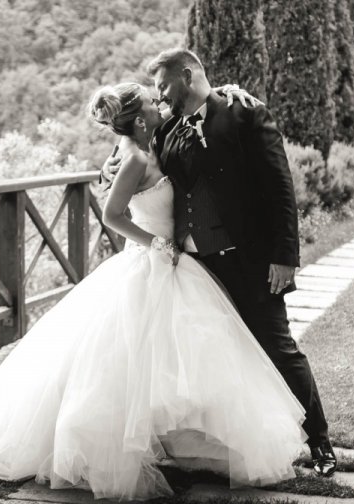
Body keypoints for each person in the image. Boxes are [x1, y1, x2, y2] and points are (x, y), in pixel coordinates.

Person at [0, 82, 308, 502]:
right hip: (149, 262)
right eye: (151, 99)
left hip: (176, 264)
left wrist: (224, 89)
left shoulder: (155, 139)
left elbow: (192, 95)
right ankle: (115, 446)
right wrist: (156, 244)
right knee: (127, 361)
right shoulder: (134, 157)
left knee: (178, 356)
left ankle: (184, 443)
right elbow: (113, 216)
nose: (159, 101)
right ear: (141, 119)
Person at [101, 48, 337, 477]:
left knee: (279, 349)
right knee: (218, 362)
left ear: (187, 76)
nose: (161, 97)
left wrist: (285, 258)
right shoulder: (166, 130)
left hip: (248, 262)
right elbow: (134, 158)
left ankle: (320, 444)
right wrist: (113, 158)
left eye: (164, 87)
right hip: (195, 269)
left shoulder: (244, 113)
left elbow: (280, 189)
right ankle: (223, 448)